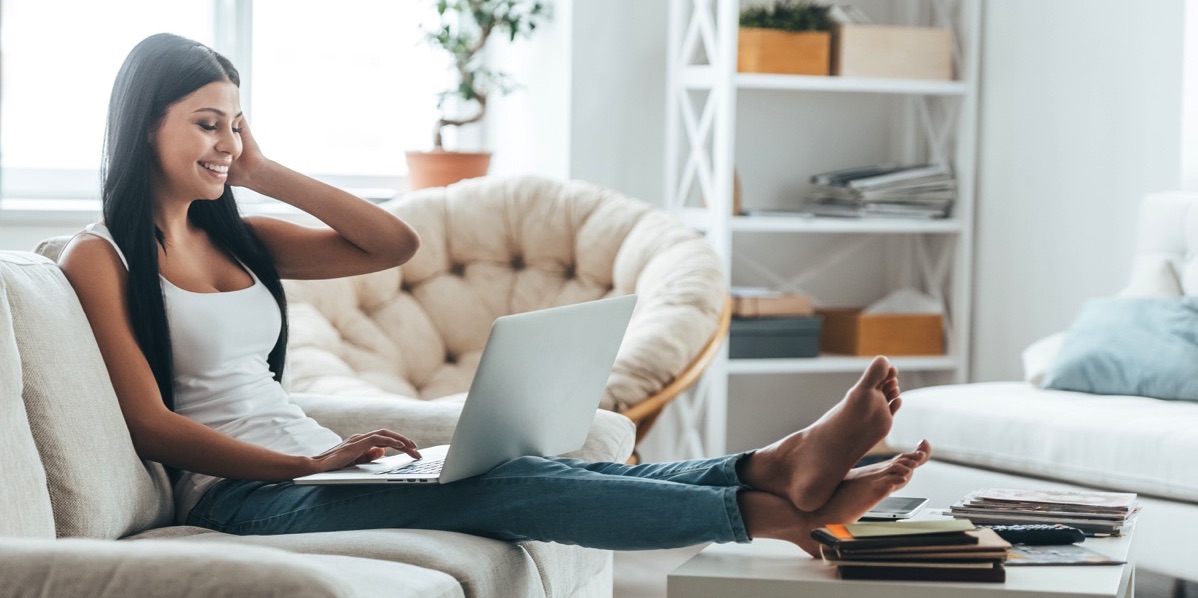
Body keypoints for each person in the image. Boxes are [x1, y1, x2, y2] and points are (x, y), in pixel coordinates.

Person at [59, 33, 931, 556]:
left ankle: (772, 466)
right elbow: (150, 424)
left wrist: (262, 169)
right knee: (503, 488)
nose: (225, 143)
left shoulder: (237, 238)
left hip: (320, 469)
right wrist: (307, 463)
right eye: (207, 124)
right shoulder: (100, 260)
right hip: (243, 496)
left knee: (528, 467)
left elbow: (391, 242)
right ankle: (767, 507)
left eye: (236, 123)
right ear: (144, 124)